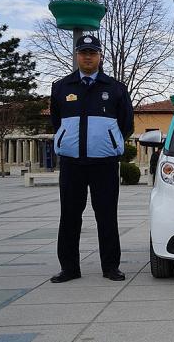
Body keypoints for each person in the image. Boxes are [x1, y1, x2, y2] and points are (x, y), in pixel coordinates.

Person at [49, 35, 133, 283]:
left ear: (100, 56)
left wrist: (107, 140)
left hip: (104, 163)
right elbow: (57, 122)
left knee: (106, 216)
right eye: (83, 52)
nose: (88, 56)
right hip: (72, 164)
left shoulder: (116, 88)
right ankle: (69, 268)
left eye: (92, 52)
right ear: (77, 56)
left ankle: (110, 267)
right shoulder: (62, 87)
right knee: (70, 216)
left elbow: (126, 124)